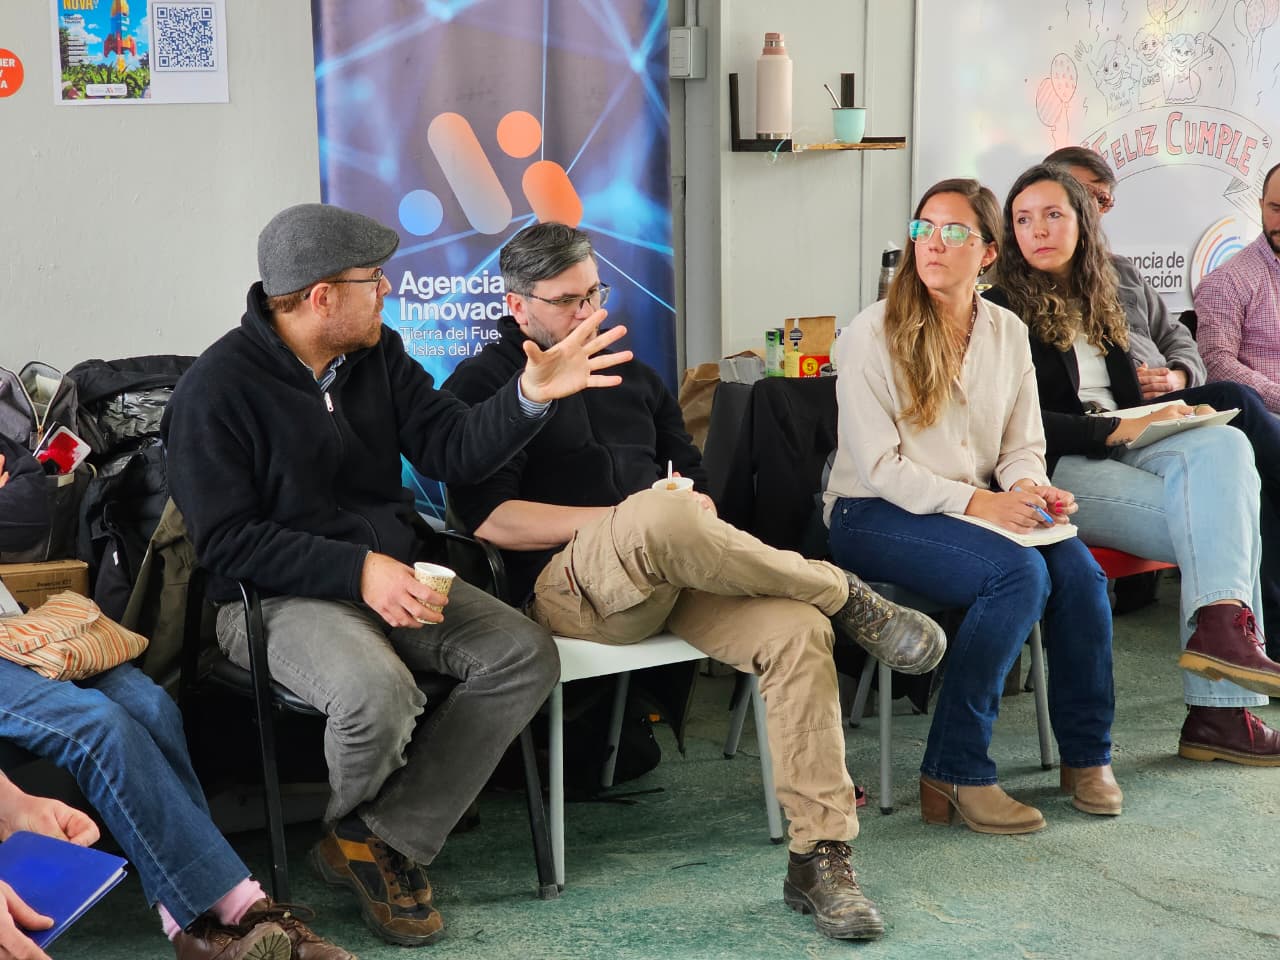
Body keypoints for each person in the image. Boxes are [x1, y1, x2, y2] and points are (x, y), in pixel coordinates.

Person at [442, 222, 949, 943]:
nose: (589, 313)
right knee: (660, 514)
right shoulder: (483, 386)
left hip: (673, 580)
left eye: (595, 293)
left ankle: (819, 858)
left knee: (797, 630)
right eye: (566, 301)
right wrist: (637, 517)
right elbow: (493, 522)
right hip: (566, 592)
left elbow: (697, 486)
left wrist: (687, 510)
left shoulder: (636, 376)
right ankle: (840, 589)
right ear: (517, 306)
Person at [162, 203, 629, 947]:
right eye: (373, 279)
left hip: (395, 574)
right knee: (377, 693)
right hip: (277, 598)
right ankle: (375, 849)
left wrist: (529, 397)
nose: (387, 290)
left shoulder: (379, 355)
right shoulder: (214, 392)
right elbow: (227, 541)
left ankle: (372, 838)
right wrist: (357, 570)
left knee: (523, 654)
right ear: (322, 296)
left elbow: (453, 447)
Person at [826, 178, 1118, 837]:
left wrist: (1030, 488)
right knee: (1017, 576)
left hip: (967, 511)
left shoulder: (1008, 331)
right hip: (871, 513)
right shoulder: (872, 332)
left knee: (1080, 573)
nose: (934, 243)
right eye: (924, 228)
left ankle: (1086, 756)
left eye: (954, 232)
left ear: (987, 253)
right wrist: (983, 502)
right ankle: (955, 771)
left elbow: (1021, 447)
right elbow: (878, 468)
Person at [0, 432, 349, 960]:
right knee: (100, 727)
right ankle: (239, 910)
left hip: (20, 634)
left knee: (153, 706)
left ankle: (196, 923)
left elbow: (31, 513)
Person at [991, 162, 1280, 766]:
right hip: (1053, 466)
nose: (1037, 230)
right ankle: (1220, 715)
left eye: (1053, 214)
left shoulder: (1107, 288)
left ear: (1083, 221)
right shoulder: (998, 310)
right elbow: (1012, 428)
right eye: (1022, 219)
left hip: (1133, 438)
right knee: (1226, 520)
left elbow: (1176, 351)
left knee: (1228, 446)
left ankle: (1221, 633)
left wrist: (1168, 397)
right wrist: (1119, 426)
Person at [1047, 145, 1280, 648]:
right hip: (1109, 428)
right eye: (1081, 195)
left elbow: (1181, 341)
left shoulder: (1119, 272)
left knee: (1238, 459)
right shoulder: (1012, 295)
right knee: (1235, 408)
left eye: (1102, 199)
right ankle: (1249, 654)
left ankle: (1242, 659)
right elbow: (1217, 359)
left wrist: (1176, 376)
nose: (1092, 208)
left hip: (1165, 403)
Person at [1194, 161, 1280, 413]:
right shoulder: (1228, 281)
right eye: (1276, 208)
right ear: (1261, 205)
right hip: (1265, 416)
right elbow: (1216, 364)